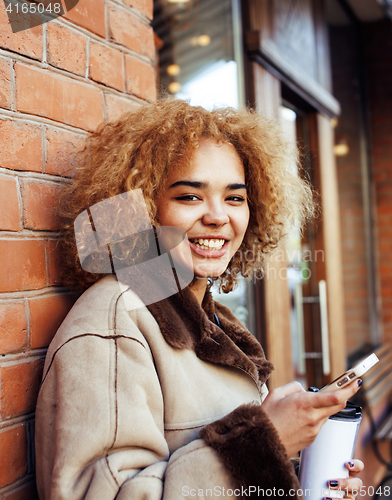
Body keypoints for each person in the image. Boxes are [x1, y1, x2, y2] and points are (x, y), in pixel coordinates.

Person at [35, 98, 364, 499]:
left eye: (235, 197)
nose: (217, 216)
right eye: (190, 197)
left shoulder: (215, 320)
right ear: (143, 209)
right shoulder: (115, 320)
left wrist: (300, 473)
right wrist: (263, 441)